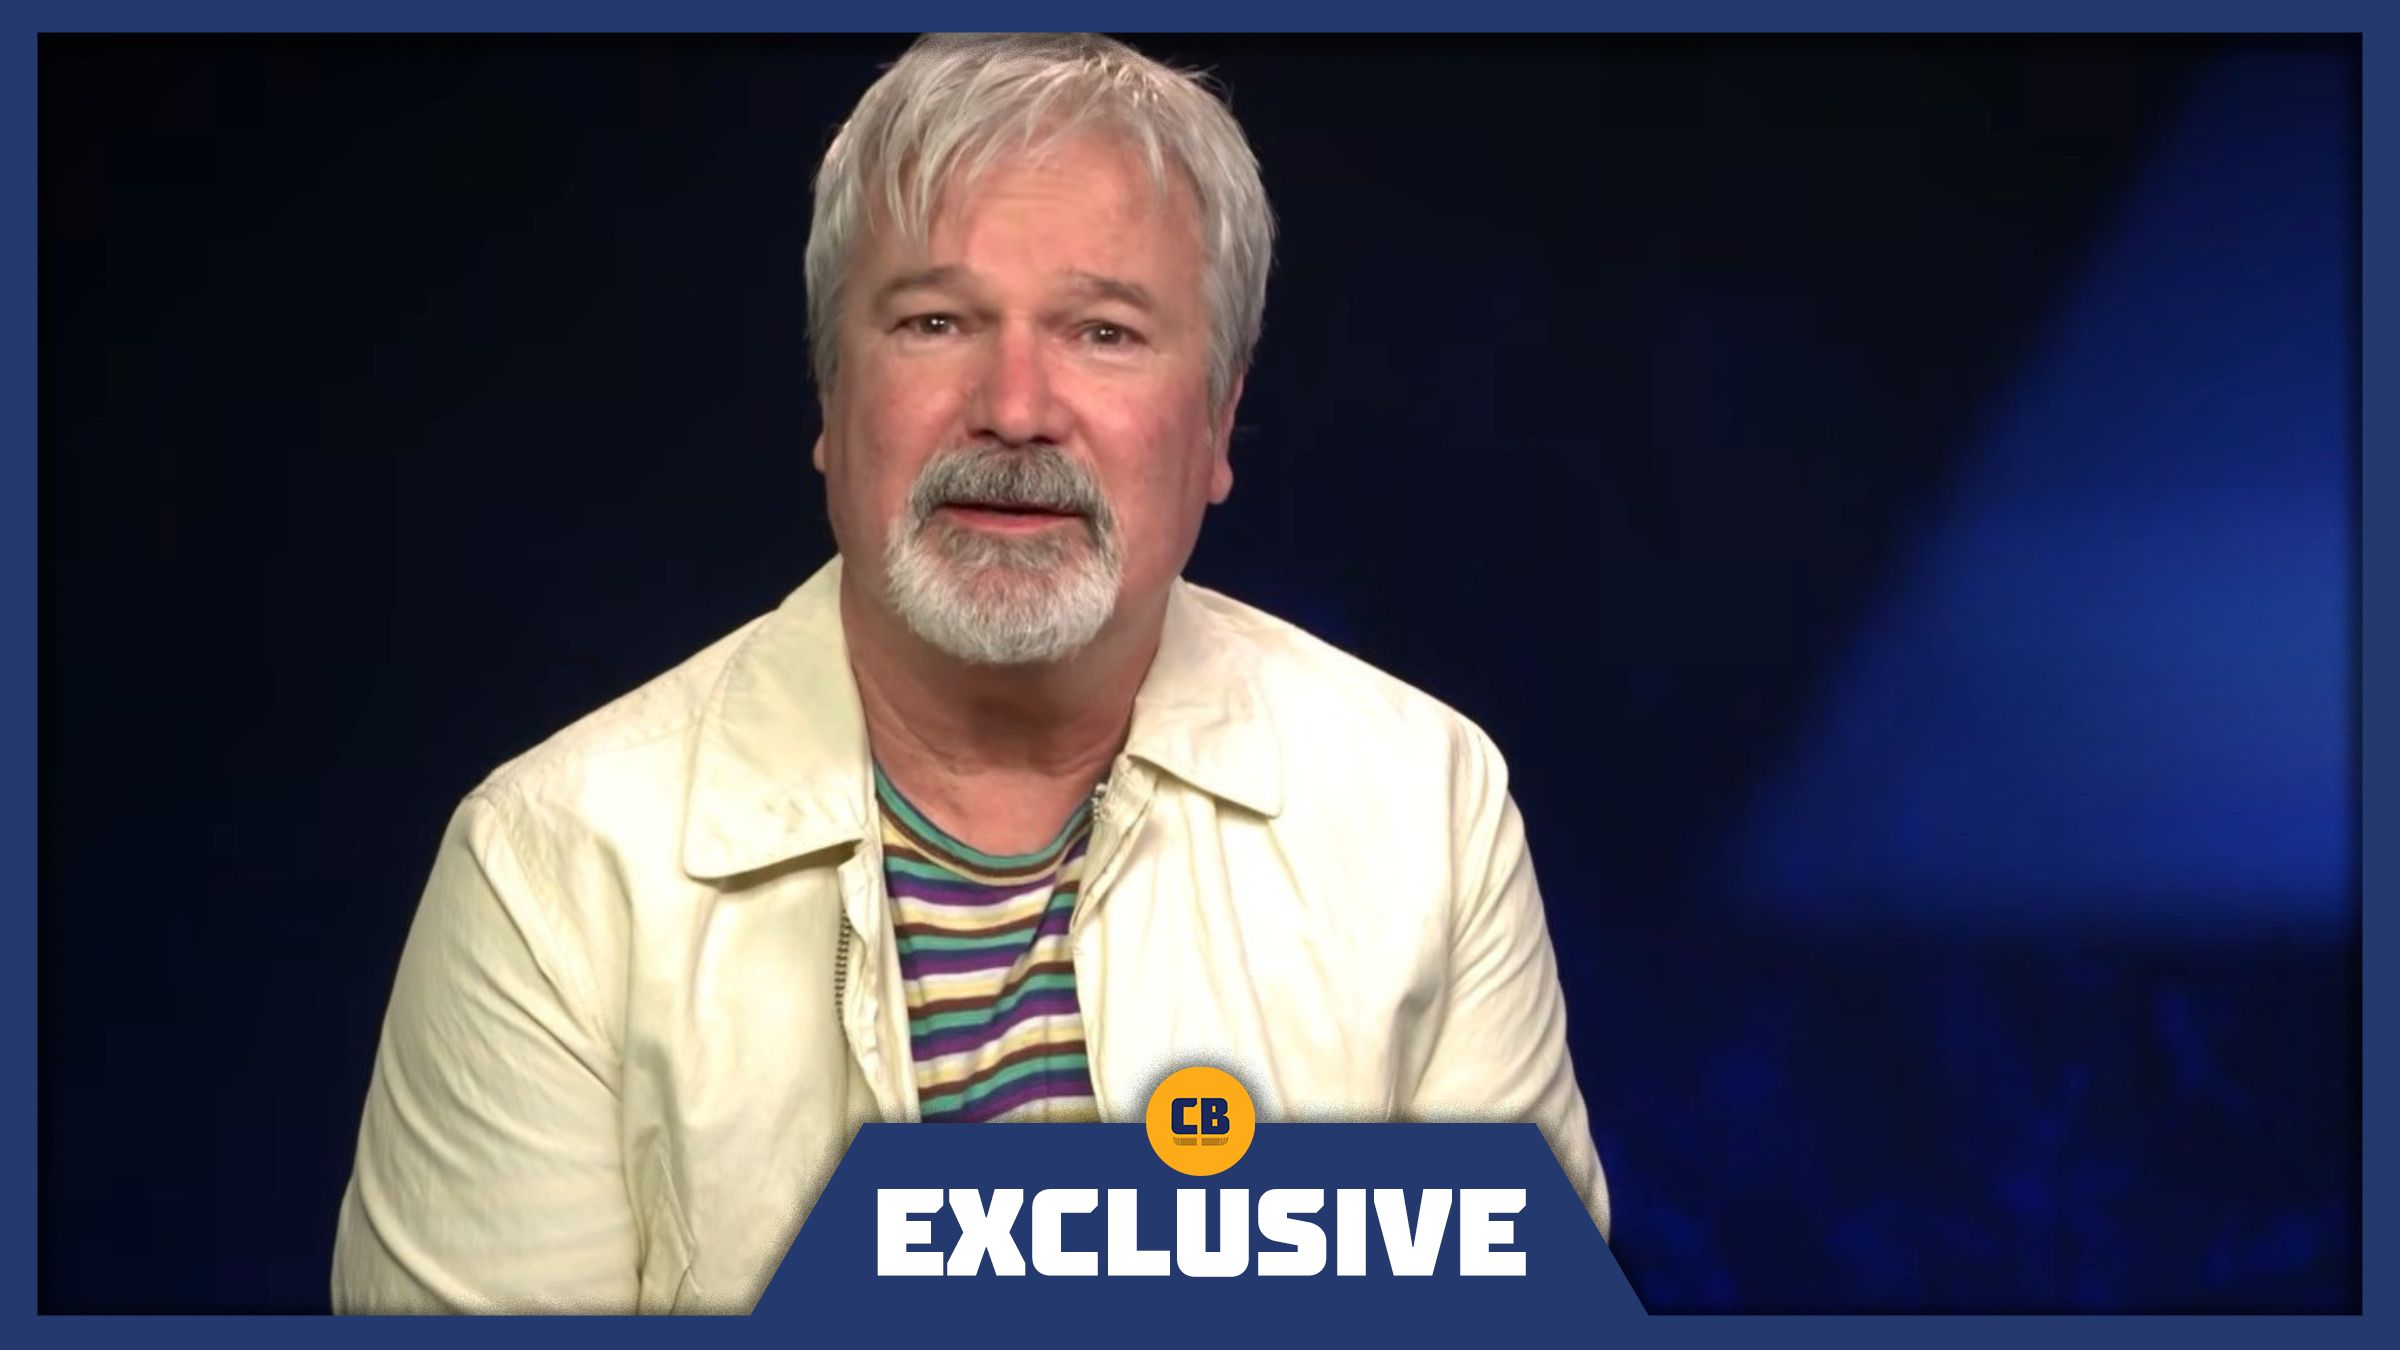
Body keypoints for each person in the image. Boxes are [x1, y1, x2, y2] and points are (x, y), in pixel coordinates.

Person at [331, 32, 1608, 1314]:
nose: (1015, 406)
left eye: (1104, 332)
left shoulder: (1424, 808)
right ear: (832, 398)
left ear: (1218, 425)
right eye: (935, 321)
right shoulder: (550, 870)